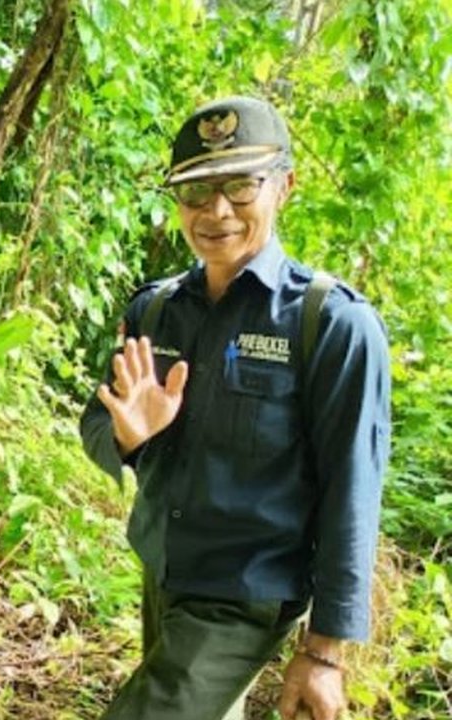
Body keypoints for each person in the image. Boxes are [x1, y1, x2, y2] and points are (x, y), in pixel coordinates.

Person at [79, 96, 390, 720]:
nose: (216, 211)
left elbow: (352, 490)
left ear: (284, 186)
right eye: (196, 191)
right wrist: (128, 437)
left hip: (246, 595)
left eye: (241, 186)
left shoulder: (331, 324)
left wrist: (325, 650)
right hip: (165, 573)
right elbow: (95, 424)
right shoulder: (157, 310)